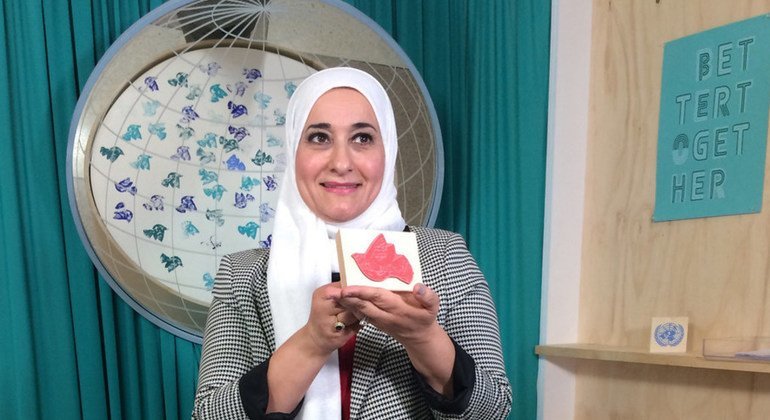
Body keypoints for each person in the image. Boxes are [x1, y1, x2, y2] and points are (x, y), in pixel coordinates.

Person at [192, 67, 512, 419]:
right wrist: (311, 343)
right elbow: (209, 414)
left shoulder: (444, 256)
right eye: (318, 137)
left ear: (387, 149)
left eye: (362, 138)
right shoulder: (242, 274)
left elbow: (493, 410)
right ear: (292, 150)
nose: (341, 162)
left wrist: (424, 338)